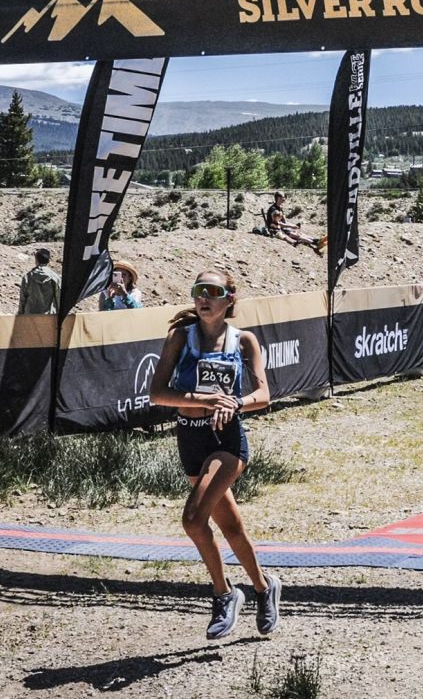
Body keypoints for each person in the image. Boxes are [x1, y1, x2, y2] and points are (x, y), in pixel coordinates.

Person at [148, 270, 282, 640]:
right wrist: (206, 399)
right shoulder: (180, 337)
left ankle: (224, 593)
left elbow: (264, 395)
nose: (204, 298)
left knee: (193, 519)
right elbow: (157, 393)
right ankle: (263, 586)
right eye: (198, 291)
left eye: (213, 291)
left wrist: (235, 403)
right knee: (231, 526)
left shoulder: (244, 341)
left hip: (226, 439)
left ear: (230, 299)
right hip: (189, 437)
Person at [265, 191, 327, 255]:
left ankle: (316, 240)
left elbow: (285, 221)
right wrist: (291, 227)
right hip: (276, 229)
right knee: (297, 235)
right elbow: (278, 223)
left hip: (282, 227)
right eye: (283, 197)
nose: (284, 199)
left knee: (299, 232)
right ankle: (315, 243)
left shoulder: (280, 208)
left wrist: (294, 226)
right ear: (278, 198)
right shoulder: (273, 209)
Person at [17, 248, 60, 314]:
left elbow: (23, 299)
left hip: (30, 316)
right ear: (48, 261)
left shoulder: (27, 277)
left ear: (36, 260)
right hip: (48, 317)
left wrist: (20, 315)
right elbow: (59, 298)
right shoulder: (55, 278)